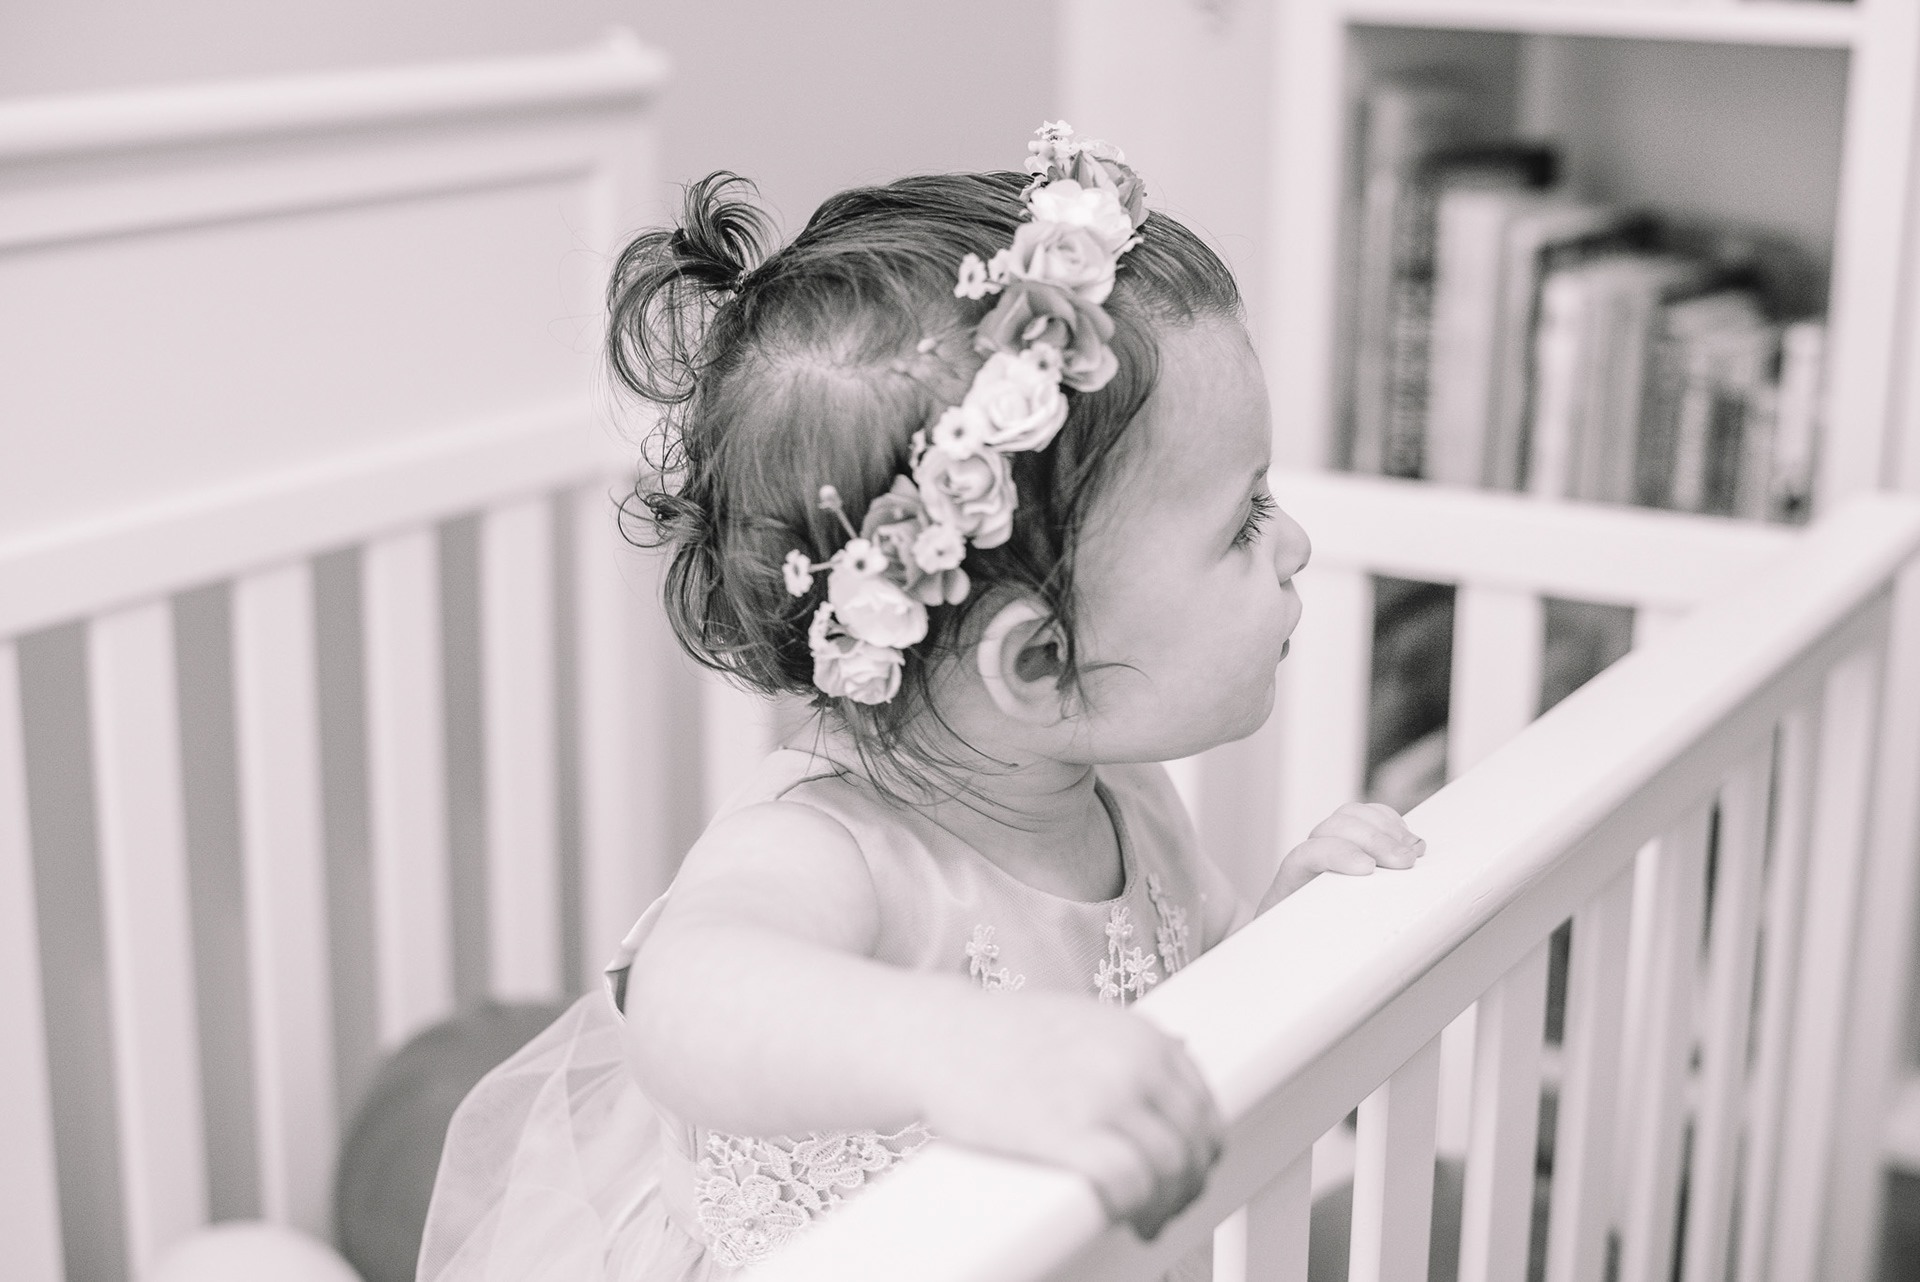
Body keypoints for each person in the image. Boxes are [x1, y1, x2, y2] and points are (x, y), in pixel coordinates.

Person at [418, 123, 1422, 1282]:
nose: (1293, 543)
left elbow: (1174, 1034)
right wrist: (962, 1050)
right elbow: (692, 1002)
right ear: (1038, 664)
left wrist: (1285, 940)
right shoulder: (826, 849)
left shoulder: (1124, 797)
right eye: (1244, 520)